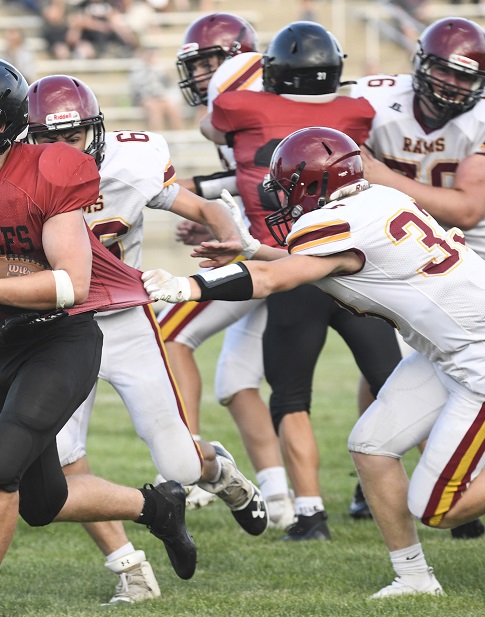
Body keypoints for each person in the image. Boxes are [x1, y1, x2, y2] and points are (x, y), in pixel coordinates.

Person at [143, 125, 485, 598]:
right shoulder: (378, 200)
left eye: (287, 188)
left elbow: (276, 278)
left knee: (440, 507)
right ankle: (413, 578)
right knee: (371, 446)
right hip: (450, 349)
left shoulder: (339, 224)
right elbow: (328, 261)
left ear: (315, 185)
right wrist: (251, 248)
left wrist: (188, 286)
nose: (281, 199)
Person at [0, 55, 198, 617]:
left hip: (61, 338)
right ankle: (156, 507)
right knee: (41, 501)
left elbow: (71, 283)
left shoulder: (52, 170)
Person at [25, 74, 268, 605]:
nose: (63, 150)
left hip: (123, 322)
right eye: (49, 139)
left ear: (95, 131)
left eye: (73, 136)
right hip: (56, 329)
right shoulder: (15, 174)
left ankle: (217, 469)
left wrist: (228, 235)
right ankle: (129, 567)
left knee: (179, 465)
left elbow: (204, 208)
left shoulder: (130, 164)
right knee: (58, 464)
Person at [202, 22, 403, 541]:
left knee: (291, 396)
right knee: (395, 384)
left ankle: (311, 515)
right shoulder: (355, 112)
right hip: (355, 265)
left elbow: (211, 128)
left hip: (293, 263)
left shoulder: (239, 107)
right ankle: (454, 499)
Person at [351, 16, 485, 538]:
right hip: (403, 252)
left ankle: (450, 485)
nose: (452, 85)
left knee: (456, 370)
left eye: (465, 77)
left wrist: (381, 177)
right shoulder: (371, 99)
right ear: (420, 65)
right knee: (391, 364)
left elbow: (468, 209)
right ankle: (392, 481)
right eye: (445, 72)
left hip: (477, 259)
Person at [165, 13, 294, 528]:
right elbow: (249, 176)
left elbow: (258, 174)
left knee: (171, 333)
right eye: (195, 66)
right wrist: (213, 212)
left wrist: (195, 196)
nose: (200, 75)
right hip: (269, 246)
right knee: (236, 381)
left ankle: (188, 460)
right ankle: (281, 500)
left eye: (208, 63)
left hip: (272, 254)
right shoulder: (247, 104)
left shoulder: (248, 96)